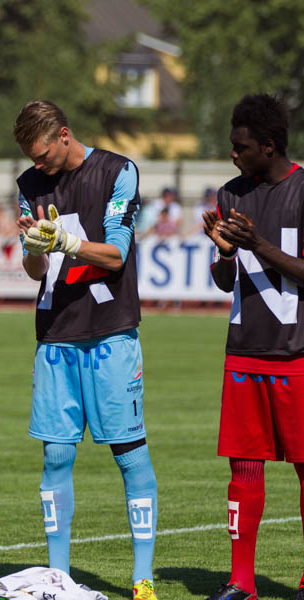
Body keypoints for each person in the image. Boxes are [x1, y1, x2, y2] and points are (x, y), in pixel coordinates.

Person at [13, 100, 157, 600]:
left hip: (110, 333)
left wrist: (68, 243)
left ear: (64, 135)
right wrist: (34, 248)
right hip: (54, 336)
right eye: (30, 157)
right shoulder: (29, 184)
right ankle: (58, 578)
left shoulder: (118, 171)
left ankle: (143, 581)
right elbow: (35, 272)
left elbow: (116, 255)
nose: (38, 166)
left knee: (130, 456)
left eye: (42, 154)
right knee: (55, 457)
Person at [201, 94, 304, 600]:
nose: (233, 155)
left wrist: (258, 244)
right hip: (244, 350)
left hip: (298, 352)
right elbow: (225, 280)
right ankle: (242, 582)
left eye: (241, 147)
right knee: (243, 465)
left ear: (269, 145)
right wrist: (223, 254)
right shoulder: (230, 194)